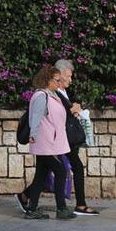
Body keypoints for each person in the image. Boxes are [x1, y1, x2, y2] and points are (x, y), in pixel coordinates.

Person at [16, 66, 76, 219]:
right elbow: (35, 118)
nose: (59, 83)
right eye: (57, 80)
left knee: (40, 176)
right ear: (47, 80)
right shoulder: (41, 96)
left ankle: (32, 209)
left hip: (49, 142)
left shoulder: (52, 95)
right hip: (44, 142)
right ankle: (61, 209)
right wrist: (33, 135)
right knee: (61, 171)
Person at [54, 59, 99, 216]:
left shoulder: (64, 92)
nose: (71, 80)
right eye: (68, 76)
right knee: (73, 168)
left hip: (67, 137)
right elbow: (61, 111)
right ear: (59, 75)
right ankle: (77, 205)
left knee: (47, 170)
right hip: (60, 138)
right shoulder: (54, 92)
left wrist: (75, 107)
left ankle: (26, 196)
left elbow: (71, 106)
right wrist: (73, 109)